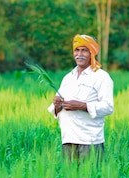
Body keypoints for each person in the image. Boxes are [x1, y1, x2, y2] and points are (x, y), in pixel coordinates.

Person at [48, 34, 114, 162]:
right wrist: (57, 105)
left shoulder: (101, 77)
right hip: (68, 140)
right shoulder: (68, 78)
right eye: (76, 50)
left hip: (90, 141)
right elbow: (57, 111)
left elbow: (108, 107)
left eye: (84, 50)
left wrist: (82, 106)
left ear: (92, 53)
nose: (80, 54)